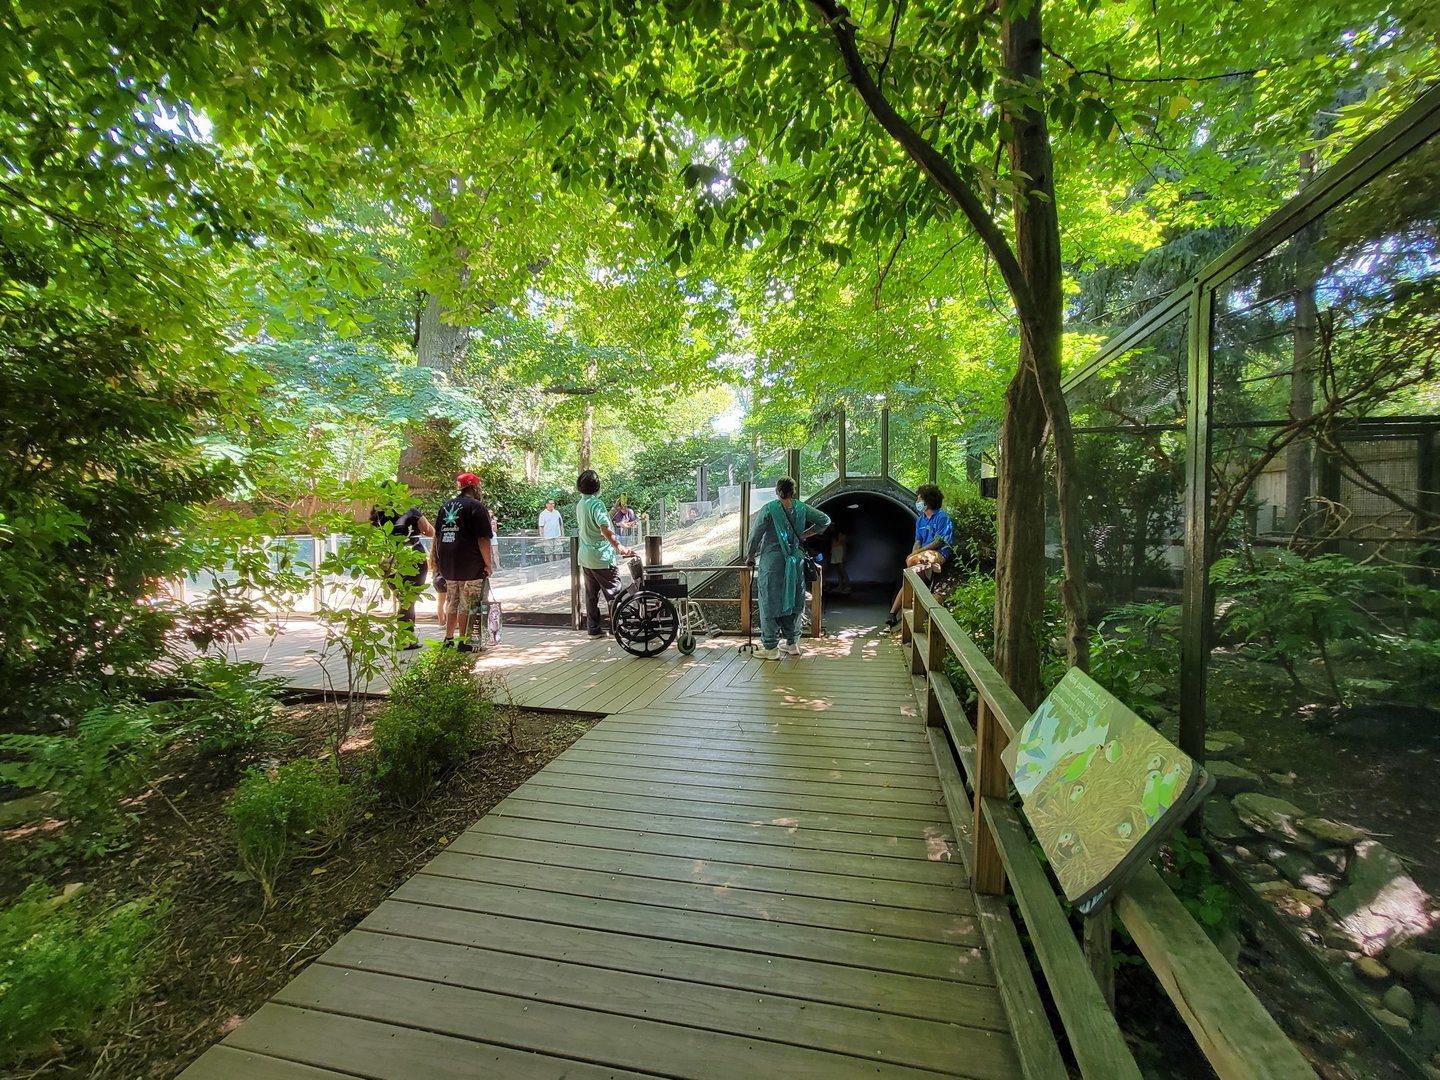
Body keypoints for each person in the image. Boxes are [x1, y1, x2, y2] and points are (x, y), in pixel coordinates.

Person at [746, 477, 831, 660]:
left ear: (778, 491)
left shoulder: (769, 509)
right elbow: (825, 520)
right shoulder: (801, 508)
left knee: (769, 602)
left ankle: (771, 648)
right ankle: (792, 644)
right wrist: (805, 534)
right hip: (796, 560)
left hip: (773, 562)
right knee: (793, 599)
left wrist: (750, 554)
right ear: (793, 491)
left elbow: (756, 534)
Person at [434, 472, 495, 652]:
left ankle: (448, 638)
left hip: (448, 562)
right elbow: (483, 538)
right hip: (470, 562)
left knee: (453, 599)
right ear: (474, 487)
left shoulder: (445, 507)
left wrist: (439, 561)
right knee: (469, 601)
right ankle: (465, 641)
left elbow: (437, 536)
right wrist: (488, 564)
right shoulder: (476, 507)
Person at [369, 487, 434, 647]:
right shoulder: (411, 511)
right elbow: (430, 531)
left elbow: (372, 535)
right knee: (408, 599)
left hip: (387, 557)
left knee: (402, 597)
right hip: (412, 555)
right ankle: (405, 638)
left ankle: (404, 636)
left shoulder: (377, 513)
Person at [886, 484, 953, 629]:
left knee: (912, 561)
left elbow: (939, 541)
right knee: (910, 579)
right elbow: (917, 541)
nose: (917, 502)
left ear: (927, 502)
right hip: (922, 556)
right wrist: (913, 554)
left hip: (938, 553)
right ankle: (892, 614)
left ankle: (904, 612)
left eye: (919, 499)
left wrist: (917, 554)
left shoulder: (942, 518)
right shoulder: (921, 520)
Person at [577, 470, 635, 637]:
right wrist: (620, 547)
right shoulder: (596, 503)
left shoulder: (581, 503)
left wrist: (614, 509)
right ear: (597, 486)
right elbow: (604, 528)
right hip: (602, 557)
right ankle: (618, 629)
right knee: (614, 594)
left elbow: (598, 523)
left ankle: (593, 628)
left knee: (591, 595)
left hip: (586, 557)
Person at [830, 529, 852, 595]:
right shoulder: (833, 536)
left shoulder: (841, 535)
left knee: (842, 570)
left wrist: (844, 556)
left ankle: (848, 586)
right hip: (835, 553)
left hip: (840, 554)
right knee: (838, 571)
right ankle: (840, 586)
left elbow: (844, 546)